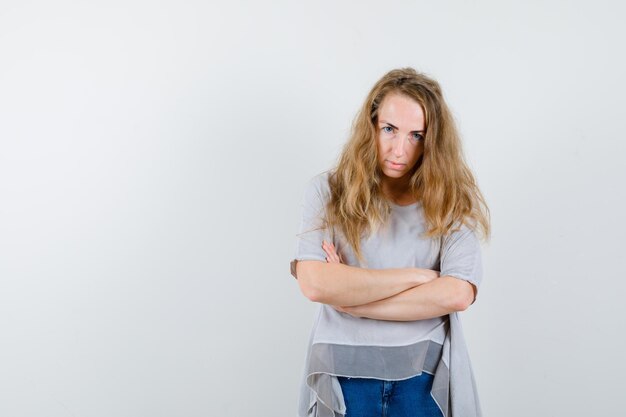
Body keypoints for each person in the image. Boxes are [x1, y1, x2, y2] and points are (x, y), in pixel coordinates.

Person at [290, 67, 490, 417]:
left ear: (433, 141)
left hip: (423, 377)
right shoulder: (327, 191)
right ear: (371, 126)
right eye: (389, 130)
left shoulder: (451, 202)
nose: (400, 149)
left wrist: (353, 302)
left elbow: (457, 293)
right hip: (344, 371)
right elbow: (315, 283)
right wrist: (416, 277)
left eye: (417, 135)